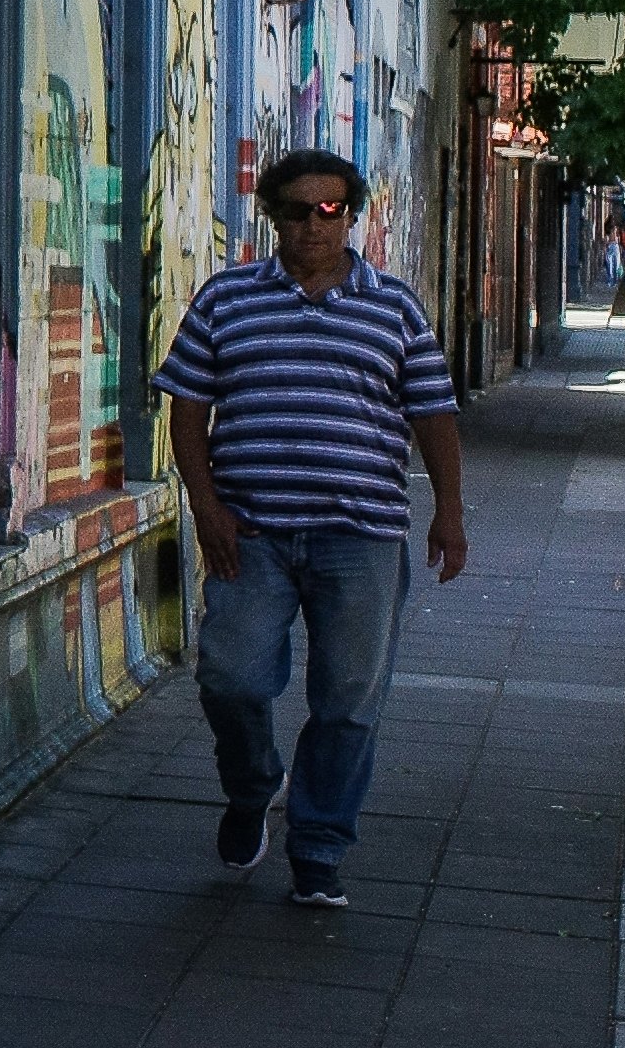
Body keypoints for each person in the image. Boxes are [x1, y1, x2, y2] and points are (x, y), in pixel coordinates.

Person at [157, 147, 469, 908]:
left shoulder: (393, 308)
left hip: (360, 538)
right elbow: (188, 411)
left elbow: (432, 414)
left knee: (350, 702)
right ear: (274, 217)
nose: (313, 225)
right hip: (252, 535)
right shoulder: (226, 302)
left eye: (329, 209)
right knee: (228, 675)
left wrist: (450, 516)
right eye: (296, 210)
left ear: (350, 215)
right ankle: (254, 784)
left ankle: (319, 847)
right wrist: (205, 506)